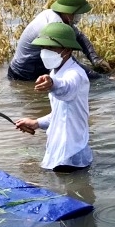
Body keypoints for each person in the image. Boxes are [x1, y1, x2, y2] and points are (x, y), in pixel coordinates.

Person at [14, 22, 92, 173]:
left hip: (71, 155)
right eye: (43, 47)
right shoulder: (55, 72)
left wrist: (53, 84)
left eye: (50, 48)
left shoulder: (75, 74)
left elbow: (67, 88)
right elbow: (60, 114)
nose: (45, 51)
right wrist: (37, 123)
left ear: (67, 50)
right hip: (61, 152)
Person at [8, 0, 112, 82]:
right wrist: (102, 79)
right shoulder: (55, 26)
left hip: (29, 66)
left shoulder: (53, 14)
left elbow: (79, 37)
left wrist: (95, 59)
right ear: (68, 12)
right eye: (77, 13)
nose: (79, 16)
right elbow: (67, 61)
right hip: (25, 74)